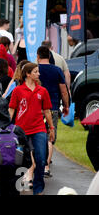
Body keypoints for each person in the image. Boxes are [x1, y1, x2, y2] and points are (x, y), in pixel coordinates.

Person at [8, 63, 55, 195]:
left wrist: (51, 128)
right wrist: (5, 125)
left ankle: (38, 187)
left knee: (41, 159)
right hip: (20, 130)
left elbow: (47, 111)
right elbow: (11, 110)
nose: (38, 74)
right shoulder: (17, 90)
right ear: (28, 74)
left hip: (39, 128)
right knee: (19, 159)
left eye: (38, 72)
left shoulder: (42, 91)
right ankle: (17, 185)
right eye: (35, 72)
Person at [36, 46, 70, 177]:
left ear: (38, 56)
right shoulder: (57, 70)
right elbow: (63, 90)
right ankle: (46, 167)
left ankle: (35, 164)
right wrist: (66, 106)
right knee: (50, 137)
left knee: (37, 135)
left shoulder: (34, 70)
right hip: (53, 107)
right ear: (50, 57)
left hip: (37, 108)